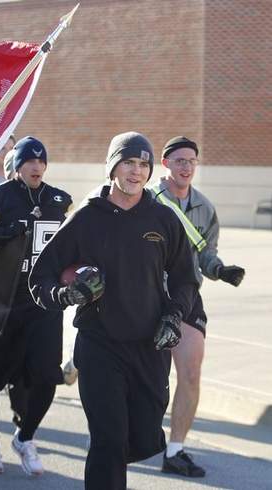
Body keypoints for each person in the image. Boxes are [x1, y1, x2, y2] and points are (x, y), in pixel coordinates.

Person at [29, 132, 198, 490]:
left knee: (141, 438)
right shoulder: (86, 218)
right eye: (128, 162)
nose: (136, 171)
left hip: (149, 347)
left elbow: (186, 279)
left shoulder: (163, 219)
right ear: (112, 167)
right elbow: (40, 277)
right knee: (108, 440)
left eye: (143, 164)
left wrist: (173, 316)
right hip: (99, 344)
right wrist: (67, 294)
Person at [0, 136, 72, 476]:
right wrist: (5, 233)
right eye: (28, 161)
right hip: (3, 299)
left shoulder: (58, 200)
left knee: (46, 377)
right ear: (16, 165)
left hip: (43, 301)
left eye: (41, 161)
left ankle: (25, 437)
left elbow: (67, 246)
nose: (36, 166)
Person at [151, 136, 245, 477]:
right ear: (165, 164)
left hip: (186, 295)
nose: (186, 166)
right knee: (146, 376)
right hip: (144, 296)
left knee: (190, 371)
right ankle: (81, 360)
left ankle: (175, 451)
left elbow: (205, 253)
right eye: (179, 160)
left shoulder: (204, 207)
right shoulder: (147, 199)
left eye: (191, 160)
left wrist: (221, 270)